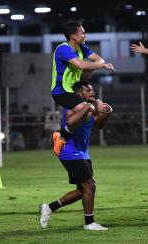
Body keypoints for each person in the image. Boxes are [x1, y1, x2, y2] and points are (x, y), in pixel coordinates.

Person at [40, 80, 113, 231]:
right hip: (70, 152)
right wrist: (88, 108)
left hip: (82, 153)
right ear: (79, 93)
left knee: (82, 191)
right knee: (90, 187)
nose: (92, 92)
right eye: (88, 90)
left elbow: (99, 125)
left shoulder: (89, 108)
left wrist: (106, 114)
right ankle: (89, 223)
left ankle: (49, 207)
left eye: (92, 90)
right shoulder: (73, 108)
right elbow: (70, 124)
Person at [51, 22, 115, 155]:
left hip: (76, 89)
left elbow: (99, 60)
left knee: (102, 108)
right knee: (89, 109)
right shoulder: (63, 49)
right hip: (62, 91)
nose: (85, 35)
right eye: (83, 33)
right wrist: (98, 67)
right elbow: (83, 66)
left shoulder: (82, 48)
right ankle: (61, 136)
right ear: (73, 35)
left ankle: (96, 127)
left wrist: (94, 66)